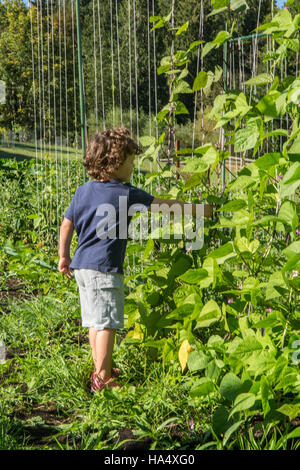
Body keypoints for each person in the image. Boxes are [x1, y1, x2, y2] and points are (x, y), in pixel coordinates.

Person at [58, 126, 214, 394]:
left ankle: (99, 368)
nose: (133, 166)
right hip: (104, 268)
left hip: (82, 266)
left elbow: (66, 224)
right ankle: (103, 379)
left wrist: (63, 255)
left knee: (96, 321)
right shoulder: (126, 193)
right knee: (107, 322)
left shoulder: (83, 191)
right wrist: (200, 210)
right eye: (130, 161)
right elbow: (166, 207)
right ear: (115, 163)